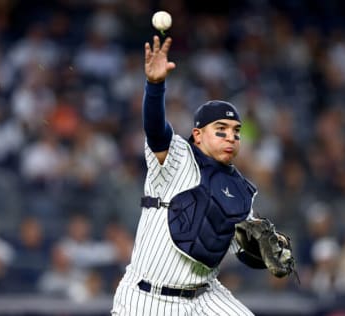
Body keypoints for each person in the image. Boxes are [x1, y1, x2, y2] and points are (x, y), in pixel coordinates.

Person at [111, 35, 291, 316]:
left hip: (205, 296)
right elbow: (156, 129)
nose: (230, 136)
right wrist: (155, 86)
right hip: (148, 297)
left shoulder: (241, 190)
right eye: (221, 128)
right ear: (198, 134)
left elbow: (242, 248)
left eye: (236, 131)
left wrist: (269, 249)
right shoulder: (176, 158)